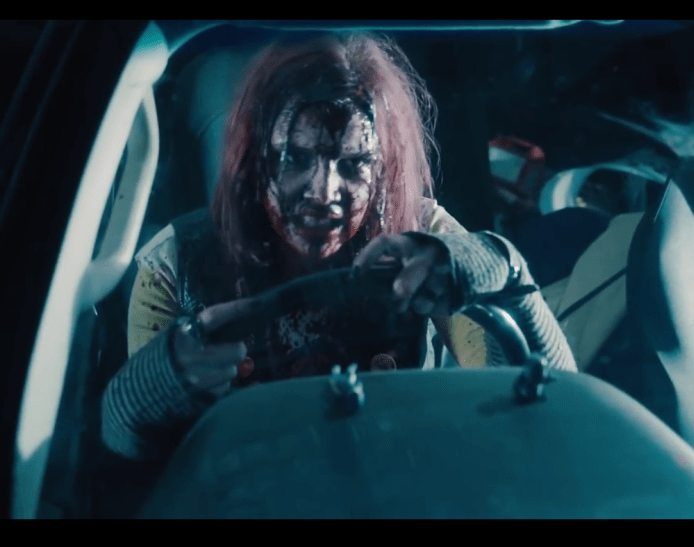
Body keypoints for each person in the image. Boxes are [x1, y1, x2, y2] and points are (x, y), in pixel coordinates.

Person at [101, 32, 577, 461]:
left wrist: (497, 269)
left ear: (383, 165)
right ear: (254, 159)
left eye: (353, 164)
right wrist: (159, 382)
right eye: (296, 158)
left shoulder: (421, 235)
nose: (323, 191)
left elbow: (553, 401)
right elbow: (129, 449)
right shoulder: (174, 265)